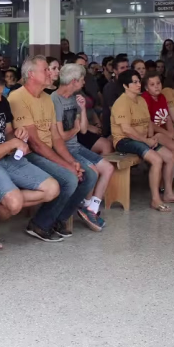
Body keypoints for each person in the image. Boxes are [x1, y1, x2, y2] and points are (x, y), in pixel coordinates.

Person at [0, 68, 60, 247]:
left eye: (0, 94)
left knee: (52, 189)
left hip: (7, 156)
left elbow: (7, 132)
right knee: (14, 204)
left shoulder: (2, 101)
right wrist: (12, 144)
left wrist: (17, 135)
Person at [9, 56, 99, 238]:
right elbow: (35, 143)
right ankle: (39, 224)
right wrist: (67, 166)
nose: (51, 73)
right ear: (31, 74)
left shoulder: (46, 98)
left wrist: (72, 162)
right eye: (45, 70)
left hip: (46, 151)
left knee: (89, 174)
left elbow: (56, 138)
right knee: (70, 179)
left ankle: (58, 219)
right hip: (29, 154)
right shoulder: (17, 97)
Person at [51, 64, 115, 231]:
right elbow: (61, 137)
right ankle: (85, 206)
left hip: (76, 146)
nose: (84, 82)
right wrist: (76, 129)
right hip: (64, 150)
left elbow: (84, 129)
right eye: (81, 80)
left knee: (108, 168)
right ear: (73, 81)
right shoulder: (55, 99)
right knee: (92, 171)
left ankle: (91, 209)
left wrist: (83, 109)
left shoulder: (75, 98)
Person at [111, 69, 174, 210]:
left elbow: (148, 122)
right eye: (134, 82)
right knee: (156, 159)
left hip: (141, 139)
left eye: (139, 81)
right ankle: (155, 200)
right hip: (124, 141)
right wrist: (146, 141)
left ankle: (168, 193)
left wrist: (150, 137)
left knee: (170, 156)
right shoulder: (121, 103)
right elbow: (127, 130)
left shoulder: (141, 100)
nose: (138, 84)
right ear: (125, 86)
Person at [140, 72, 174, 182]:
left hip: (163, 131)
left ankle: (167, 168)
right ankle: (165, 177)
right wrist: (167, 134)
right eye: (152, 85)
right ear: (146, 88)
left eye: (158, 83)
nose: (156, 86)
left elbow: (167, 117)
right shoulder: (145, 99)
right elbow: (149, 123)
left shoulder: (162, 97)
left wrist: (171, 133)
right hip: (152, 134)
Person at [101, 55, 129, 136]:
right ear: (115, 71)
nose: (126, 70)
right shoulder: (110, 87)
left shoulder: (129, 84)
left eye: (127, 67)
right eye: (122, 68)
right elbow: (115, 112)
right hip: (114, 129)